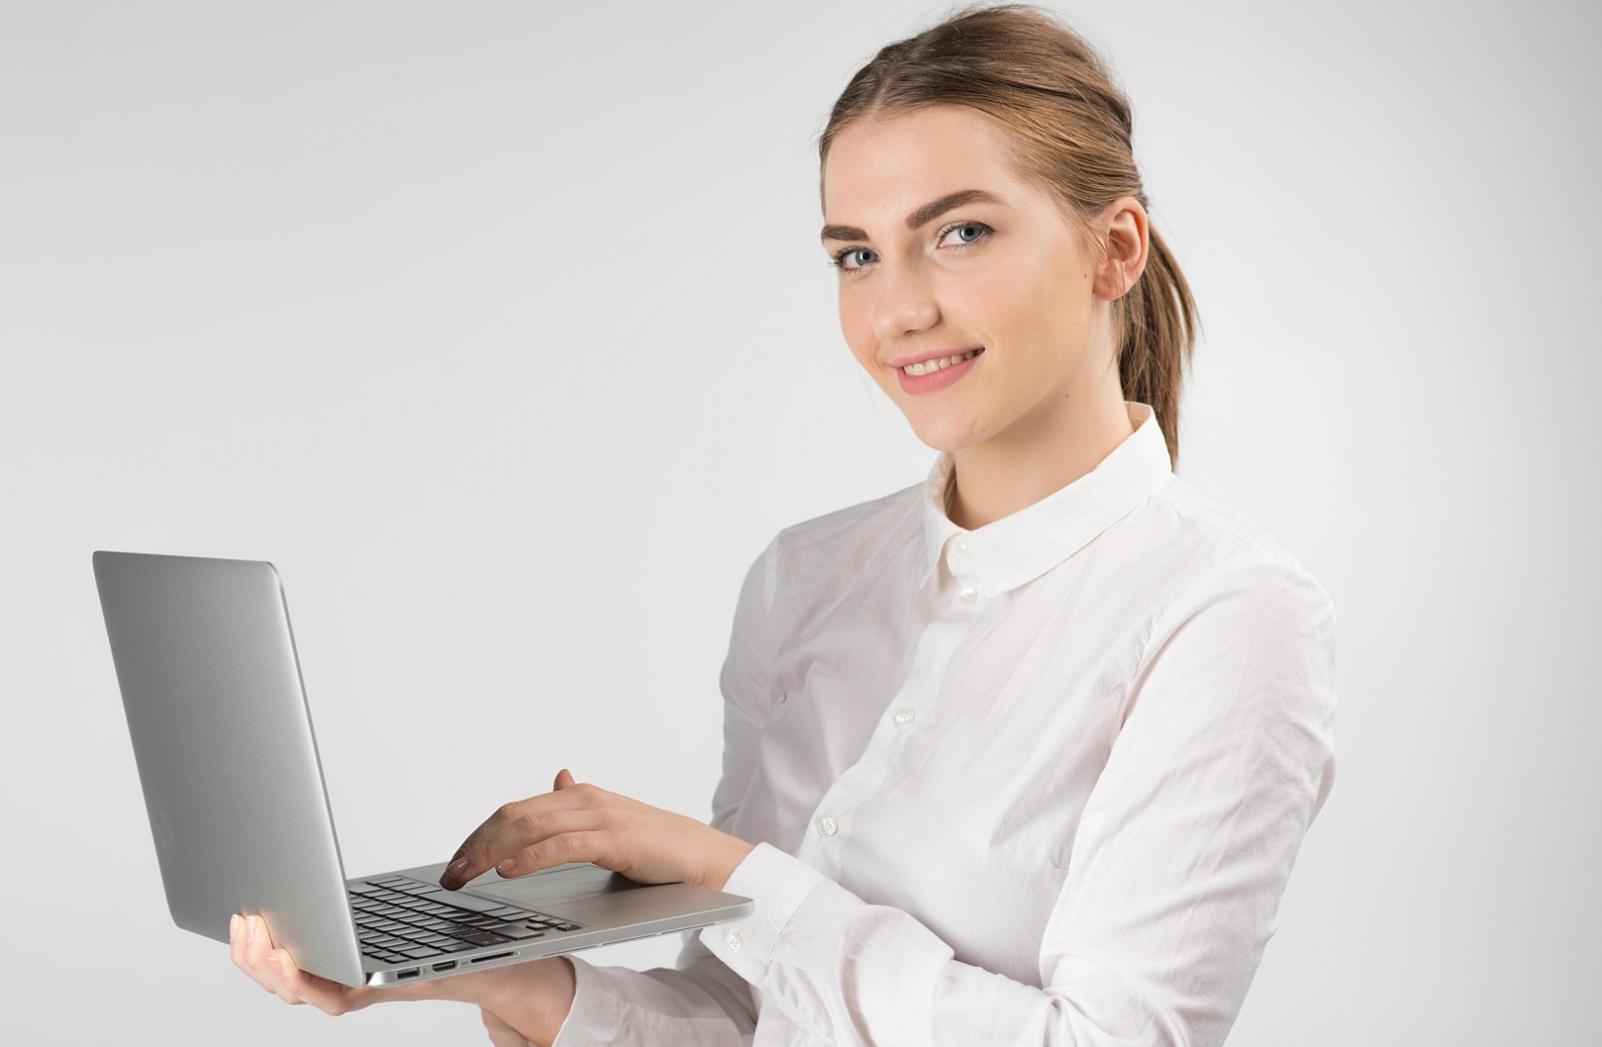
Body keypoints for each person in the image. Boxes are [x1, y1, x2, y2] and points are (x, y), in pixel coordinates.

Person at [230, 4, 1338, 1045]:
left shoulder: (1228, 614)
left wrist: (734, 874)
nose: (897, 309)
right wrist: (499, 976)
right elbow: (753, 1015)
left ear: (1116, 249)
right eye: (856, 253)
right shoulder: (805, 577)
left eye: (958, 233)